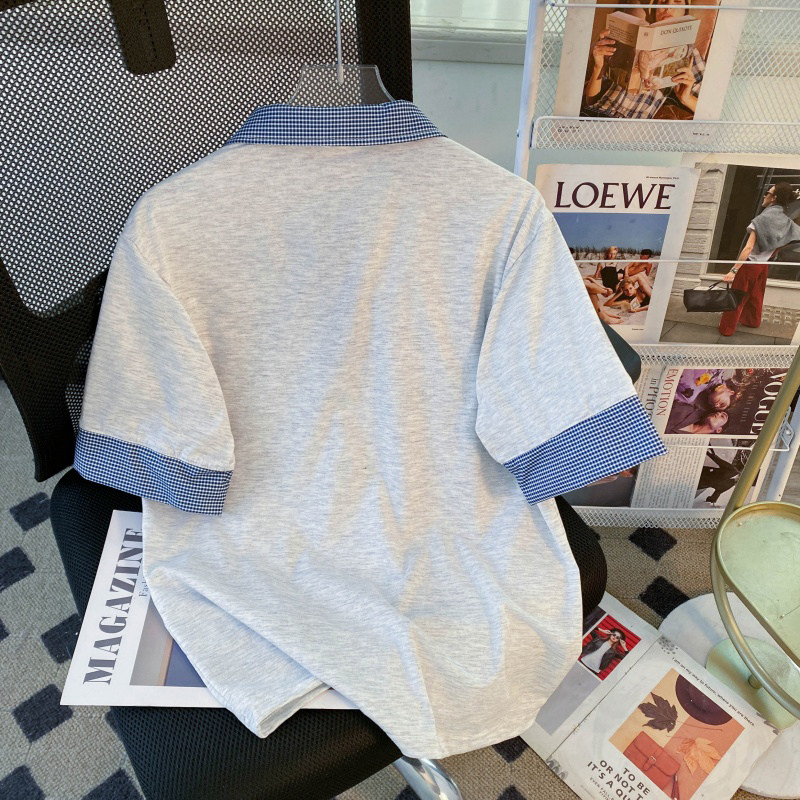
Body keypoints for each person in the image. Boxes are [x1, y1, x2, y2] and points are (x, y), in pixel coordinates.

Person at [583, 0, 705, 120]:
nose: (668, 6)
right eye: (663, 1)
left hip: (631, 125)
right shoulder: (627, 37)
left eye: (677, 1)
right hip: (597, 114)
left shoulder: (689, 52)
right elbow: (590, 101)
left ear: (685, 11)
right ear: (654, 9)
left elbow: (708, 112)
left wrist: (686, 99)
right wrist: (598, 67)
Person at [719, 182, 800, 336]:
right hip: (763, 265)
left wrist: (733, 271)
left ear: (774, 198)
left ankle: (726, 329)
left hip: (749, 265)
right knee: (756, 294)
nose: (764, 196)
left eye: (767, 193)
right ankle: (752, 321)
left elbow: (748, 248)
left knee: (736, 296)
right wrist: (773, 251)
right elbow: (794, 237)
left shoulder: (762, 219)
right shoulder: (785, 220)